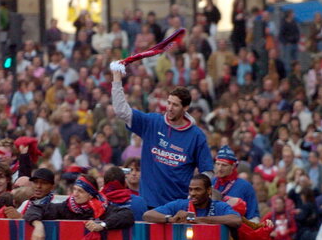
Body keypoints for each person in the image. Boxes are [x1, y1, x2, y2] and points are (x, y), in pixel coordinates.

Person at [111, 69, 214, 208]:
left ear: (186, 107)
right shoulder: (152, 122)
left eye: (175, 105)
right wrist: (117, 79)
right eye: (169, 103)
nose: (170, 108)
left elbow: (207, 172)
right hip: (148, 204)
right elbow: (121, 111)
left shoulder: (196, 135)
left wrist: (195, 196)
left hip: (178, 206)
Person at [25, 174, 135, 240]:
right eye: (74, 189)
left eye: (80, 191)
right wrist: (38, 225)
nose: (75, 194)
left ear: (90, 195)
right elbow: (34, 208)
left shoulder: (103, 208)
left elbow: (127, 215)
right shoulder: (65, 207)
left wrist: (102, 225)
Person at [143, 174, 242, 228]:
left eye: (197, 189)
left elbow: (236, 220)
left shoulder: (219, 206)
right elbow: (147, 215)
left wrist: (199, 220)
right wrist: (170, 219)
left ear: (208, 190)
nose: (193, 193)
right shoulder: (180, 205)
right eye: (190, 189)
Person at [212, 145, 260, 220]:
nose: (220, 168)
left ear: (233, 166)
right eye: (217, 164)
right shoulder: (211, 183)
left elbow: (253, 215)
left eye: (224, 165)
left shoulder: (245, 186)